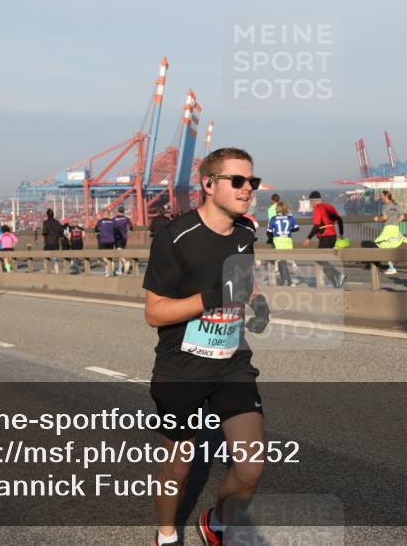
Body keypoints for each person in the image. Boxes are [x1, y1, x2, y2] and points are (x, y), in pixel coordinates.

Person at [142, 147, 268, 546]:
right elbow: (154, 313)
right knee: (179, 466)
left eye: (253, 181)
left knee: (251, 466)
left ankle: (216, 522)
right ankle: (166, 535)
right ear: (209, 184)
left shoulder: (247, 232)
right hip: (182, 366)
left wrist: (258, 302)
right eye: (238, 180)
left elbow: (244, 281)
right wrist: (209, 297)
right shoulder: (175, 237)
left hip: (232, 361)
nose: (248, 188)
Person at [302, 191, 345, 288]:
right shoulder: (329, 206)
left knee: (320, 259)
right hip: (333, 236)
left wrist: (308, 238)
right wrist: (341, 234)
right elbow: (339, 220)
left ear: (313, 201)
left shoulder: (317, 209)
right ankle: (337, 282)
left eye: (310, 202)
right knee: (322, 260)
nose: (310, 204)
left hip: (325, 237)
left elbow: (317, 225)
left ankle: (339, 275)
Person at [371, 190, 407, 276]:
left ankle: (392, 268)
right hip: (395, 228)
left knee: (382, 245)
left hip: (388, 228)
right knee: (392, 246)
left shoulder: (385, 206)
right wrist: (395, 222)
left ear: (386, 196)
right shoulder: (396, 205)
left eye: (382, 196)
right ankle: (406, 258)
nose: (380, 197)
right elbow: (402, 217)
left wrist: (377, 219)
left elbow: (384, 217)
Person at [266, 201, 299, 285]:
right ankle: (283, 280)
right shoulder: (290, 218)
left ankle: (289, 282)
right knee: (282, 261)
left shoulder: (273, 218)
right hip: (288, 241)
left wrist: (270, 239)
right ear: (285, 208)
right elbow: (297, 228)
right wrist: (289, 230)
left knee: (282, 262)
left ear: (277, 209)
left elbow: (269, 232)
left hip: (278, 241)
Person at [112, 205, 134, 275]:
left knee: (119, 253)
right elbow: (131, 227)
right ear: (124, 211)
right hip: (124, 237)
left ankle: (125, 262)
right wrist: (128, 230)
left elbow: (112, 228)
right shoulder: (126, 219)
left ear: (118, 211)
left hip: (117, 237)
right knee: (121, 252)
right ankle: (120, 269)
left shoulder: (114, 219)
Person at [94, 210, 117, 277]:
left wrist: (101, 229)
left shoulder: (100, 221)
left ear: (103, 214)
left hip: (103, 240)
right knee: (109, 256)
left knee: (101, 256)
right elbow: (116, 228)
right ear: (109, 214)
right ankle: (107, 272)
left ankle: (110, 264)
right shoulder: (113, 221)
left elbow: (95, 229)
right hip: (111, 241)